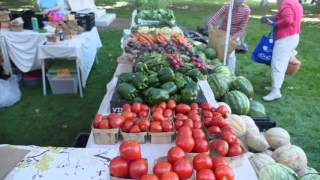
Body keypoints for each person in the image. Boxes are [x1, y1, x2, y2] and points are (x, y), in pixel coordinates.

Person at [262, 0, 303, 101]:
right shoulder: (296, 2)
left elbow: (288, 20)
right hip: (294, 36)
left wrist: (274, 23)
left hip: (285, 37)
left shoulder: (286, 3)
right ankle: (275, 86)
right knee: (282, 64)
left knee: (277, 64)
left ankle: (275, 91)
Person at [208, 0, 251, 74]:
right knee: (217, 51)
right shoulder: (227, 6)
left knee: (230, 54)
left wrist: (232, 38)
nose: (236, 8)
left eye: (238, 6)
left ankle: (231, 73)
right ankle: (214, 70)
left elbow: (242, 29)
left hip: (235, 34)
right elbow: (213, 19)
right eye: (234, 6)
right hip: (222, 32)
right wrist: (211, 28)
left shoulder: (246, 10)